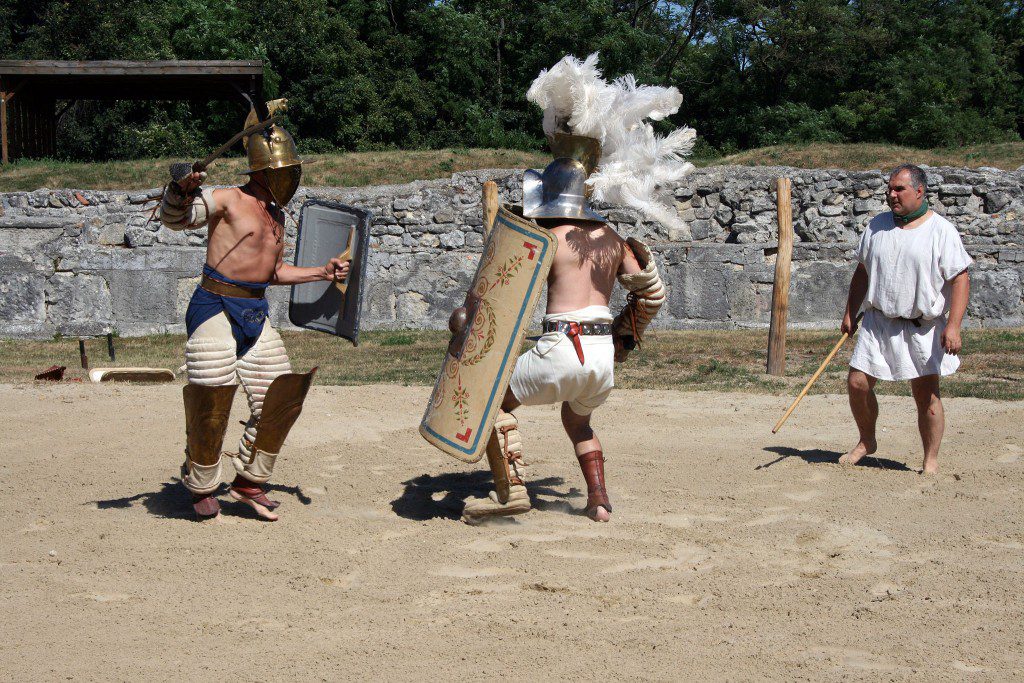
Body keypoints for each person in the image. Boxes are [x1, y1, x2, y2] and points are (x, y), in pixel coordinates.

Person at [461, 54, 692, 524]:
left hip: (561, 348)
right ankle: (599, 500)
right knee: (578, 420)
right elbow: (652, 293)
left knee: (493, 402)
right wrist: (628, 331)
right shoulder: (614, 239)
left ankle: (513, 492)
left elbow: (501, 295)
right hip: (602, 357)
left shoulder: (546, 238)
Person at [159, 111, 349, 521]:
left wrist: (322, 272)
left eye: (291, 171)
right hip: (214, 306)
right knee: (212, 396)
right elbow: (177, 219)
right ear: (263, 170)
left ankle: (249, 481)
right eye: (282, 171)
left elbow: (273, 272)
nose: (288, 179)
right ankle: (202, 484)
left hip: (254, 310)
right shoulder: (227, 198)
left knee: (281, 397)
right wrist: (180, 189)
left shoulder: (277, 216)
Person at [840, 164, 972, 474]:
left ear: (919, 191)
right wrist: (849, 312)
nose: (891, 194)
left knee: (925, 395)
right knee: (857, 383)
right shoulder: (876, 226)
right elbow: (862, 271)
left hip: (921, 327)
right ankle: (867, 441)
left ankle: (930, 460)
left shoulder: (941, 230)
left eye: (899, 189)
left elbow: (961, 278)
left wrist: (953, 325)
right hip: (878, 322)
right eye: (889, 188)